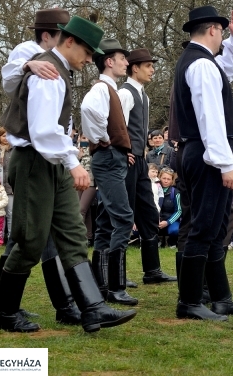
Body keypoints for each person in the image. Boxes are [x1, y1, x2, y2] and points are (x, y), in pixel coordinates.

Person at [0, 14, 136, 333]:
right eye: (87, 53)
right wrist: (73, 162)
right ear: (69, 42)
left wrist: (67, 161)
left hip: (51, 163)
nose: (89, 60)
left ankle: (93, 308)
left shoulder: (56, 69)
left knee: (73, 234)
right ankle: (4, 311)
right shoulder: (49, 72)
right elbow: (43, 130)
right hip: (34, 162)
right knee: (30, 240)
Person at [171, 5, 233, 321]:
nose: (223, 38)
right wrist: (224, 164)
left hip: (202, 152)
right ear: (213, 30)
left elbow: (226, 69)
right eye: (222, 32)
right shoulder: (201, 65)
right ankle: (190, 301)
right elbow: (210, 119)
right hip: (205, 154)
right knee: (204, 226)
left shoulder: (202, 63)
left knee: (215, 227)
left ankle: (220, 297)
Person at [81, 38, 139, 306]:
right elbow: (88, 109)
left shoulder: (110, 88)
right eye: (122, 58)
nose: (127, 62)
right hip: (107, 157)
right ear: (109, 61)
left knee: (105, 223)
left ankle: (101, 283)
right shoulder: (102, 88)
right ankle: (115, 286)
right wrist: (104, 139)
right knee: (124, 218)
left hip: (111, 156)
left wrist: (116, 144)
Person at [118, 48, 176, 285]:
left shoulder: (144, 95)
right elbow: (117, 125)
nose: (153, 69)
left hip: (141, 161)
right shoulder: (125, 93)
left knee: (150, 213)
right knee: (122, 216)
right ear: (135, 68)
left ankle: (152, 271)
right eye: (148, 65)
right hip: (127, 161)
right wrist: (124, 153)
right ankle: (116, 275)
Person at [77, 136, 97, 246]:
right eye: (83, 137)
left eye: (88, 138)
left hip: (92, 182)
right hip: (78, 181)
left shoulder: (95, 148)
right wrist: (78, 157)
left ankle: (78, 237)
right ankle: (88, 237)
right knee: (86, 210)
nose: (86, 140)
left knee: (82, 209)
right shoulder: (75, 149)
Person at [157, 167, 182, 248]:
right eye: (164, 178)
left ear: (172, 180)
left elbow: (178, 211)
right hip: (157, 219)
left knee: (175, 230)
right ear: (159, 177)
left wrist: (167, 222)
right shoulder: (154, 189)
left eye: (168, 179)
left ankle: (172, 242)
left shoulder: (176, 192)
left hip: (171, 220)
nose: (166, 181)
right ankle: (158, 241)